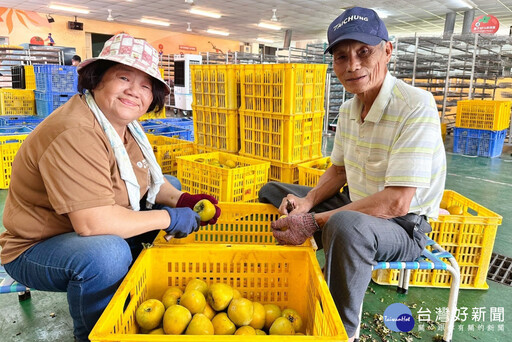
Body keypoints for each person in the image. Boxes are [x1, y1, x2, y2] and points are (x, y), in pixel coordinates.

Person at [0, 33, 220, 342]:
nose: (134, 91)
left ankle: (125, 276)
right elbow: (93, 224)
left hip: (78, 229)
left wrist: (184, 199)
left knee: (170, 186)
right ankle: (96, 333)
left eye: (146, 85)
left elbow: (151, 183)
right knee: (107, 254)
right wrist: (170, 218)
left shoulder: (121, 124)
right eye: (124, 77)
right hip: (37, 247)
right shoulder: (75, 131)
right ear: (97, 78)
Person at [258, 7, 446, 341]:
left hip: (403, 228)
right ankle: (308, 259)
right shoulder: (349, 109)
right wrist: (306, 202)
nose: (353, 66)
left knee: (346, 226)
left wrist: (316, 221)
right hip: (358, 204)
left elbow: (397, 203)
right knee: (274, 191)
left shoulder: (416, 105)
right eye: (342, 56)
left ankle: (343, 331)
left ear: (387, 51)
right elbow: (339, 170)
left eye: (364, 52)